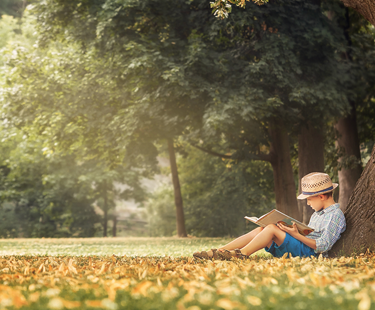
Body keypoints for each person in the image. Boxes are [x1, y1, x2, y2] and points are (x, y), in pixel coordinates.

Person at [193, 172, 346, 260]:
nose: (307, 203)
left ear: (321, 196)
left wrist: (295, 235)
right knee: (262, 229)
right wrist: (294, 230)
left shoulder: (335, 216)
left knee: (272, 228)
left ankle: (241, 254)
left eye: (309, 199)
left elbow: (323, 246)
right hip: (303, 246)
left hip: (310, 253)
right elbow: (311, 235)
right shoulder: (318, 214)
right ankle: (219, 251)